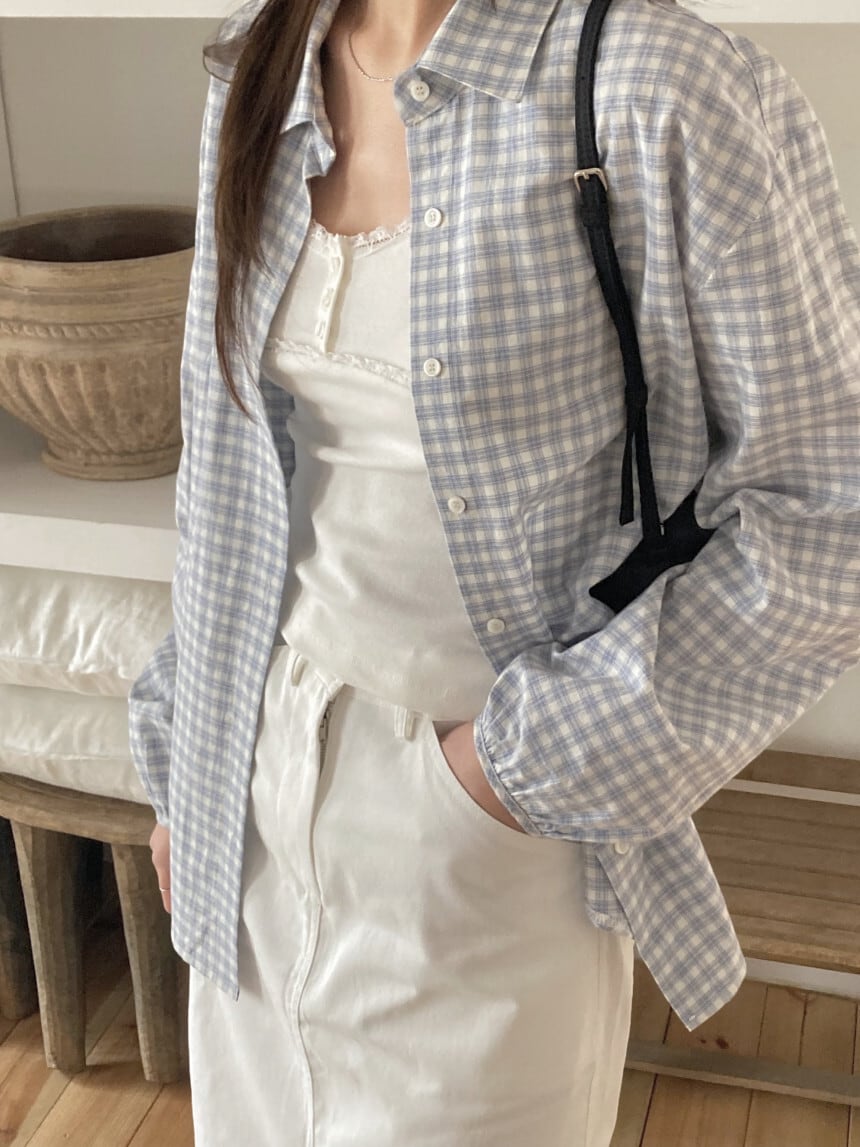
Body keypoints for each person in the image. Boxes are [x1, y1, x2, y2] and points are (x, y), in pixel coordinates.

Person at [128, 0, 860, 1142]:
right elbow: (228, 460)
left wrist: (502, 776)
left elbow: (831, 509)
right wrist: (190, 764)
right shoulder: (262, 57)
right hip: (253, 794)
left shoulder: (663, 85)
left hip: (490, 826)